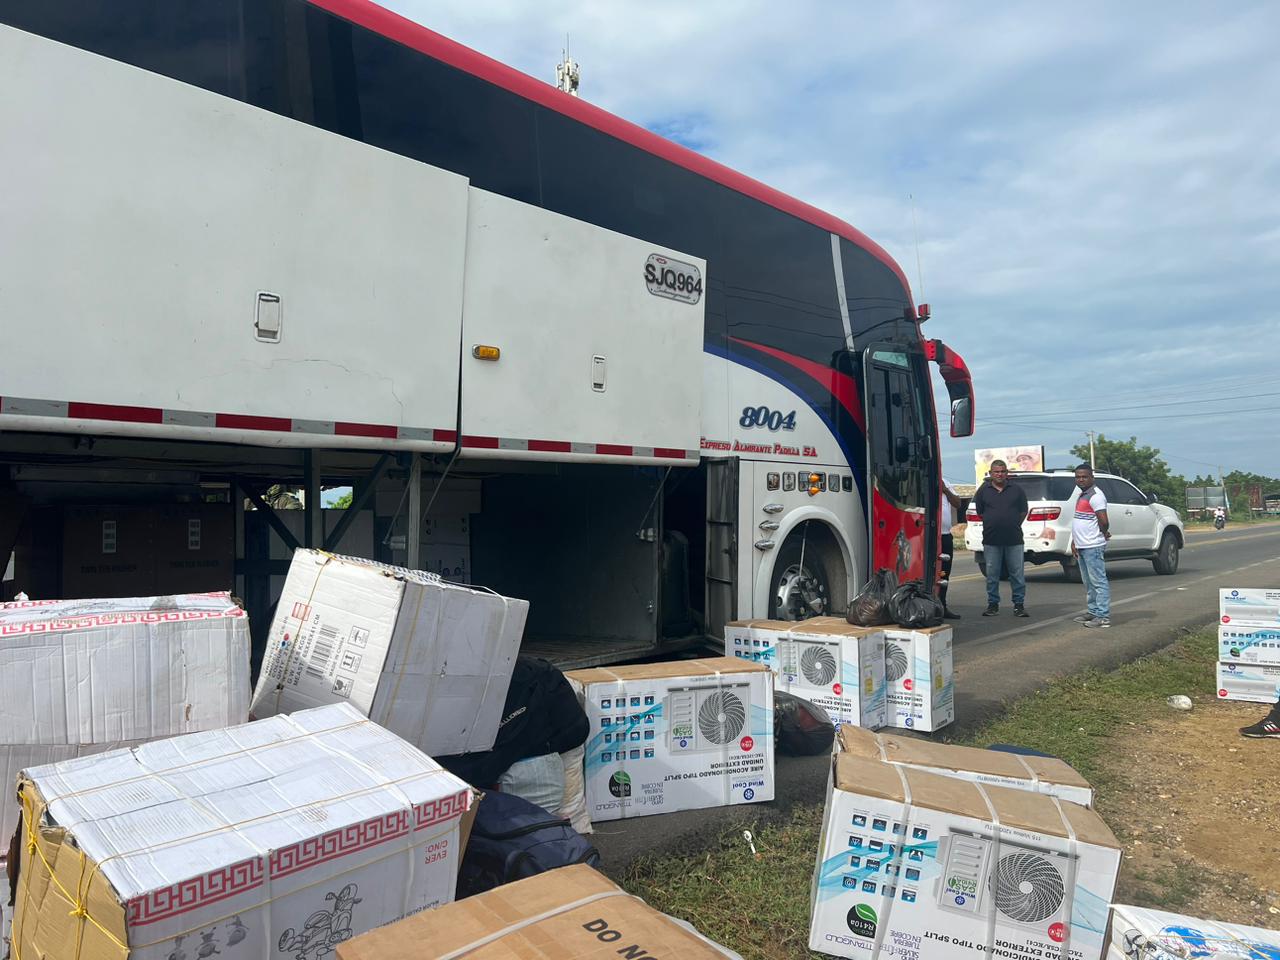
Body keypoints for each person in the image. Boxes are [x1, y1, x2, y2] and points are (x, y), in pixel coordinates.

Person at [972, 460, 1029, 617]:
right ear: (991, 473)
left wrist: (1012, 524)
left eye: (1003, 471)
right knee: (992, 575)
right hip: (991, 540)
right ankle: (993, 605)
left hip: (1014, 540)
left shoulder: (1016, 489)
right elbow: (980, 512)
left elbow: (1023, 511)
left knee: (1017, 574)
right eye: (996, 472)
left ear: (1007, 473)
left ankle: (1019, 605)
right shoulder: (984, 491)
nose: (1000, 474)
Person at [1070, 463, 1111, 628]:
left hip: (1093, 546)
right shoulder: (1082, 495)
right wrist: (1074, 542)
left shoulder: (1096, 496)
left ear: (1092, 478)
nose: (1081, 479)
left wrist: (1102, 532)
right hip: (1082, 545)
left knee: (1098, 581)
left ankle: (1103, 616)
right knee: (1088, 582)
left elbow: (1104, 521)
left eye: (1084, 476)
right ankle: (1093, 611)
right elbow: (1080, 521)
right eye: (1078, 477)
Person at [939, 480, 963, 619]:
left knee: (944, 573)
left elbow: (958, 504)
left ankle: (942, 606)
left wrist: (946, 490)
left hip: (945, 536)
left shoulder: (946, 483)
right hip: (929, 536)